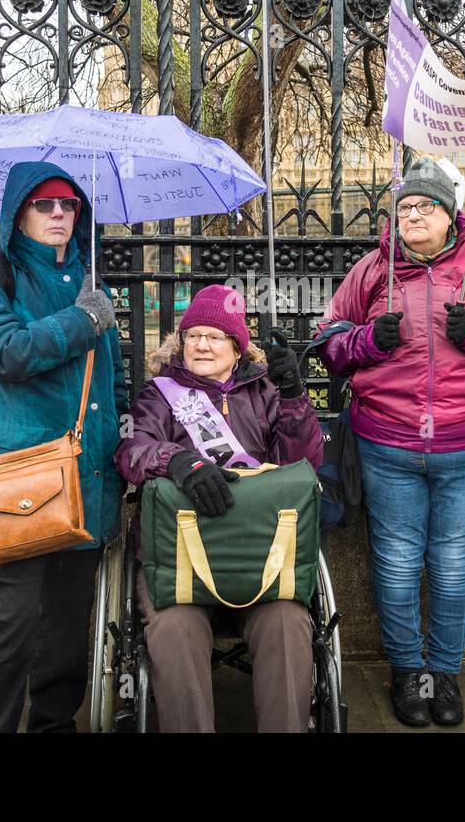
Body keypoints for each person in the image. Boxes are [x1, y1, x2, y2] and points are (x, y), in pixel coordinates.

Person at [317, 158, 465, 727]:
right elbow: (329, 342)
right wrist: (366, 341)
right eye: (405, 208)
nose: (413, 215)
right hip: (387, 442)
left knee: (453, 558)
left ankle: (444, 671)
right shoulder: (372, 271)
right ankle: (407, 671)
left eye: (425, 206)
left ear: (449, 215)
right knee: (394, 559)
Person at [0, 160, 125, 732]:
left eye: (69, 204)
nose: (60, 213)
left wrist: (119, 447)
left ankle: (53, 726)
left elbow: (109, 378)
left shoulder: (93, 284)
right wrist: (80, 322)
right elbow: (4, 354)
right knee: (10, 626)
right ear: (19, 214)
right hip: (21, 478)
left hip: (87, 479)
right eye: (46, 205)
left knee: (67, 628)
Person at [115, 284, 324, 732]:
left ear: (236, 346)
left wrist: (292, 396)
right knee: (174, 630)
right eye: (193, 335)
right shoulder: (158, 394)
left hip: (262, 555)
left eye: (215, 336)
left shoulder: (265, 392)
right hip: (179, 561)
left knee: (288, 623)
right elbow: (131, 450)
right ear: (181, 341)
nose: (202, 344)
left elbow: (303, 464)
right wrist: (179, 461)